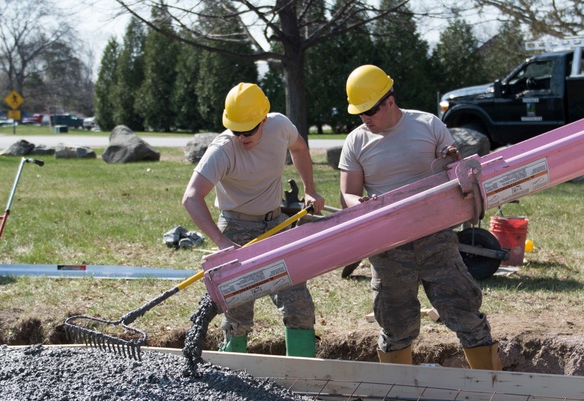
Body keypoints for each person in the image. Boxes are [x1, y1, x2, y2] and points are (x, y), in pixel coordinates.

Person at [338, 64, 501, 370]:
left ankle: (492, 388)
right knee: (395, 324)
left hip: (435, 238)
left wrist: (455, 161)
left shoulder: (428, 125)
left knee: (464, 311)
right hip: (388, 247)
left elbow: (458, 176)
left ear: (389, 100)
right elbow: (347, 194)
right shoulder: (356, 142)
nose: (365, 119)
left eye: (370, 111)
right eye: (359, 113)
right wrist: (357, 202)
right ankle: (398, 395)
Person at [182, 82, 326, 356]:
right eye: (236, 130)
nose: (242, 137)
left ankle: (302, 371)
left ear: (263, 119)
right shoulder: (222, 150)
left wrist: (310, 189)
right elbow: (191, 197)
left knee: (298, 304)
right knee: (237, 312)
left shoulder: (280, 126)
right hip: (236, 228)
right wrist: (222, 242)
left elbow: (299, 148)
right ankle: (234, 369)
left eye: (249, 130)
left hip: (275, 225)